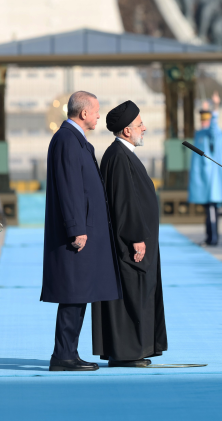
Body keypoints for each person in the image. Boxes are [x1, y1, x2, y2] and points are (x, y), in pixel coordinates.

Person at [42, 91, 121, 372]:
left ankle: (68, 352)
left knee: (79, 292)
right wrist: (76, 228)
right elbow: (69, 187)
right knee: (72, 293)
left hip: (85, 231)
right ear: (84, 113)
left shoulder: (75, 139)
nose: (100, 115)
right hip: (76, 234)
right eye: (97, 110)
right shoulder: (66, 139)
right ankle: (63, 356)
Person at [92, 100, 168, 367]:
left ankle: (135, 349)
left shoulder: (123, 155)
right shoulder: (119, 157)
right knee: (132, 295)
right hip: (131, 244)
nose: (144, 128)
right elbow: (124, 203)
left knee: (140, 294)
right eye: (139, 125)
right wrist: (136, 237)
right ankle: (126, 353)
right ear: (126, 130)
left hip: (138, 241)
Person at [188, 92, 222, 246]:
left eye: (206, 117)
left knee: (212, 211)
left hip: (213, 181)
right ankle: (208, 237)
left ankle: (213, 239)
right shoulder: (199, 134)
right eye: (202, 117)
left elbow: (214, 128)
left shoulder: (215, 133)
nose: (203, 121)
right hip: (203, 180)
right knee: (208, 211)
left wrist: (215, 107)